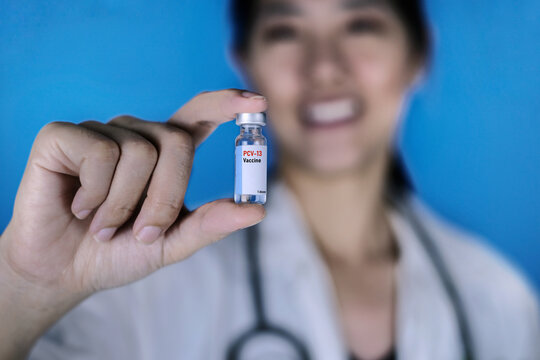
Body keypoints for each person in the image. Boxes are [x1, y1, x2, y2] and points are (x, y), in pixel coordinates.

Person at [1, 0, 539, 359]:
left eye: (361, 24)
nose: (324, 66)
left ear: (417, 55)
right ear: (245, 60)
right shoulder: (143, 277)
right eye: (285, 31)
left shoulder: (498, 297)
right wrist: (24, 287)